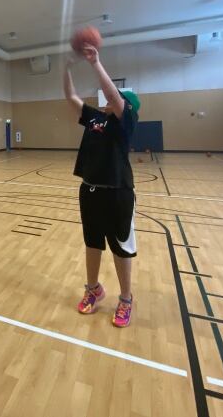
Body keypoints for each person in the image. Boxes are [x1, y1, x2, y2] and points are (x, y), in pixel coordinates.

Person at [63, 44, 141, 327]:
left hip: (118, 193)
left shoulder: (126, 121)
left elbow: (112, 94)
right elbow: (71, 97)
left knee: (121, 248)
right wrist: (67, 68)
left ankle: (126, 299)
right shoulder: (96, 118)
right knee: (92, 244)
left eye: (119, 97)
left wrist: (95, 63)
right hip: (90, 189)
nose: (111, 98)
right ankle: (93, 289)